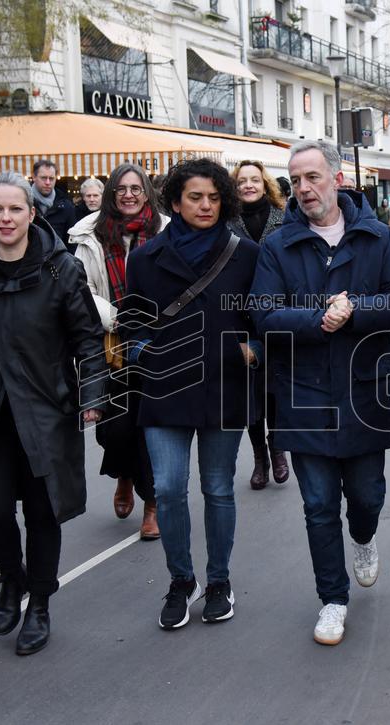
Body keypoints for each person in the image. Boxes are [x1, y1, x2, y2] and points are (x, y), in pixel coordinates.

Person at [250, 140, 390, 646]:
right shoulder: (278, 245)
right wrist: (318, 318)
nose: (303, 188)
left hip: (363, 393)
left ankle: (363, 537)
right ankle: (333, 600)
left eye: (313, 177)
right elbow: (263, 313)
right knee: (319, 505)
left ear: (337, 179)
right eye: (296, 179)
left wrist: (356, 310)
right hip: (303, 394)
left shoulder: (376, 236)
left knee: (367, 496)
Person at [0, 171, 106, 656]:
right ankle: (13, 580)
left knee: (43, 513)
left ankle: (39, 603)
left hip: (46, 411)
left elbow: (88, 339)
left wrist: (92, 397)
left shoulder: (62, 269)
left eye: (15, 209)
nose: (5, 218)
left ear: (32, 213)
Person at [121, 158, 260, 630]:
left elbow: (262, 315)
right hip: (166, 388)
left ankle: (219, 581)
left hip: (224, 386)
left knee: (218, 489)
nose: (206, 205)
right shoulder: (144, 258)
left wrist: (253, 350)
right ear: (175, 203)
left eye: (214, 197)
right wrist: (146, 353)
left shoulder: (247, 254)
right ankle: (182, 580)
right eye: (195, 197)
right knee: (167, 489)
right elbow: (132, 323)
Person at [67, 163, 168, 539]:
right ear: (111, 193)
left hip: (157, 341)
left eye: (135, 188)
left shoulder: (166, 230)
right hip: (111, 344)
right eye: (121, 189)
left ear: (147, 193)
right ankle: (124, 473)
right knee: (116, 429)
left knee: (151, 427)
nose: (128, 195)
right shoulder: (89, 235)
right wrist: (118, 318)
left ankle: (152, 503)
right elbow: (83, 288)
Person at [228, 159, 289, 489]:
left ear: (265, 184)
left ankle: (277, 447)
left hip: (277, 311)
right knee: (250, 392)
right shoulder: (226, 221)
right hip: (240, 314)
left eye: (254, 180)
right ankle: (259, 458)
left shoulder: (284, 217)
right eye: (242, 181)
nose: (248, 185)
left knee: (275, 388)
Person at [31, 159, 77, 248]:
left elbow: (72, 242)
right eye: (43, 178)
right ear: (34, 177)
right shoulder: (24, 203)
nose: (48, 182)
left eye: (51, 178)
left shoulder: (66, 206)